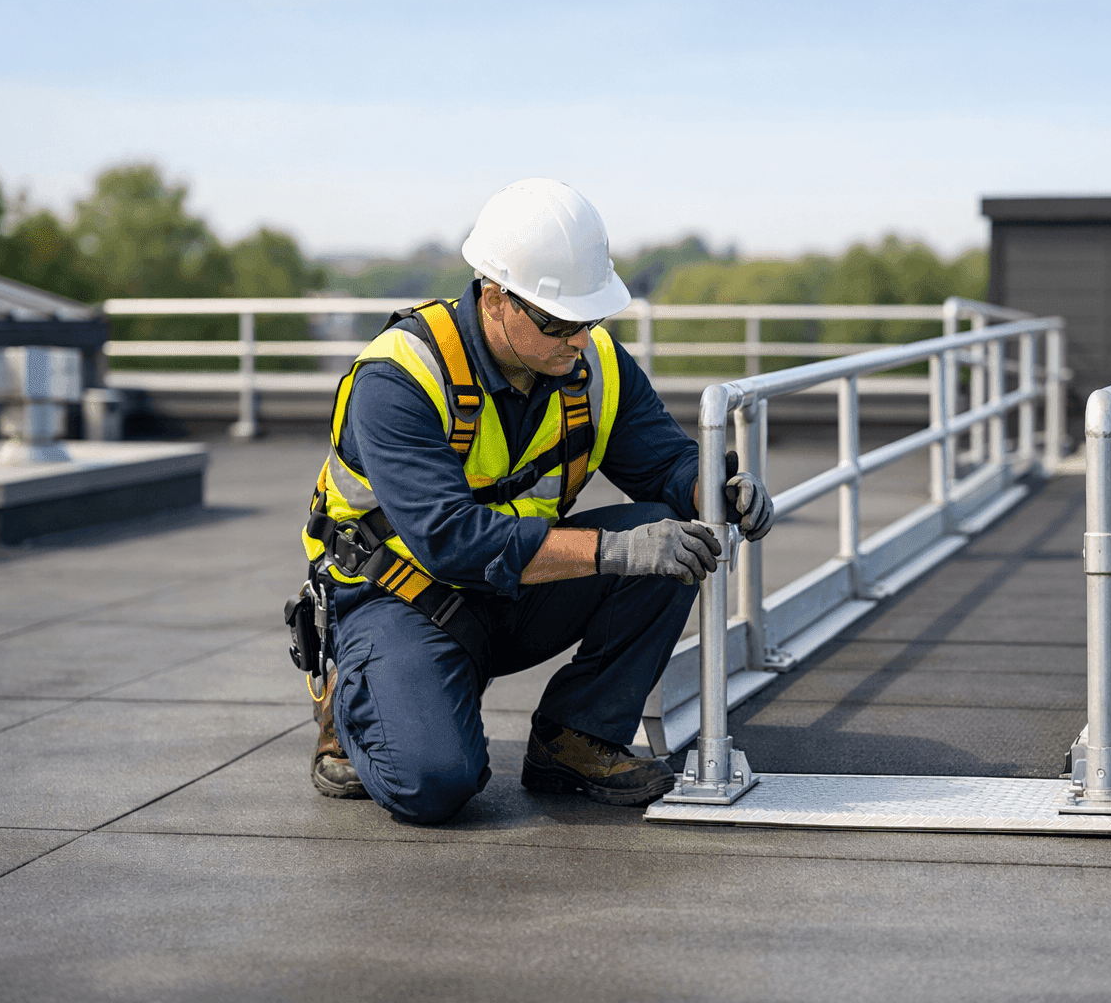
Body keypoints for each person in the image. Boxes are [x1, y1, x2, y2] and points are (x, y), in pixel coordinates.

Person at [299, 178, 774, 823]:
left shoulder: (593, 361)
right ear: (495, 299)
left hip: (513, 591)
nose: (577, 340)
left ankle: (576, 738)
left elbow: (664, 461)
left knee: (675, 532)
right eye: (557, 323)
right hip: (401, 598)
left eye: (590, 319)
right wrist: (613, 551)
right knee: (434, 783)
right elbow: (450, 539)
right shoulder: (400, 376)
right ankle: (352, 700)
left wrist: (714, 492)